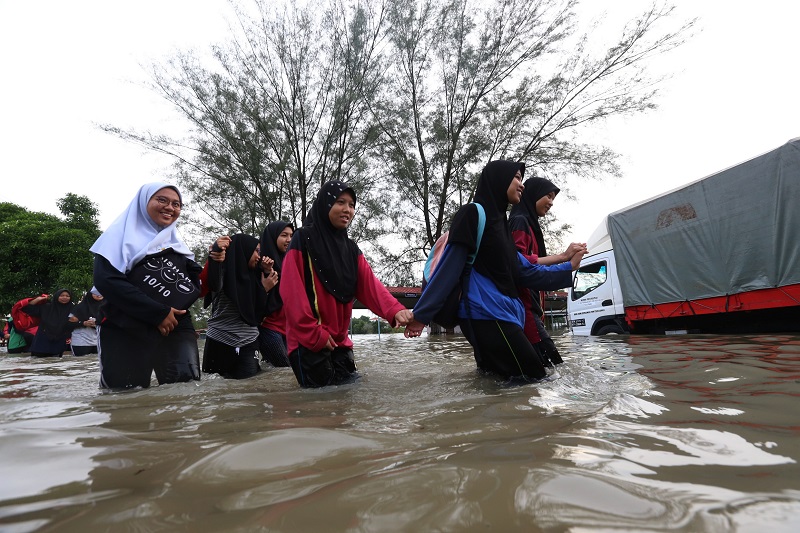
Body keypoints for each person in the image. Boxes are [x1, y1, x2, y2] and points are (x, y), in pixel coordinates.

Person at [405, 160, 585, 382]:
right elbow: (448, 269)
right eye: (517, 177)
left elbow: (525, 272)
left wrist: (569, 267)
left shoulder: (502, 225)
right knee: (534, 379)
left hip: (502, 314)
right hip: (486, 313)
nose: (522, 185)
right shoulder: (472, 213)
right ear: (499, 179)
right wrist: (421, 315)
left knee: (495, 383)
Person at [280, 181, 413, 388]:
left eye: (352, 205)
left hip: (341, 343)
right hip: (309, 342)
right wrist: (314, 334)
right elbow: (291, 293)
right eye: (340, 202)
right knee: (318, 410)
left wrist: (395, 310)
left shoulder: (351, 249)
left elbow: (370, 285)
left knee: (347, 404)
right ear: (325, 205)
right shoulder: (302, 239)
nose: (347, 210)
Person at [90, 182, 203, 389]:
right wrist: (157, 313)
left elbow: (196, 286)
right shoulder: (117, 237)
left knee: (185, 390)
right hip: (124, 325)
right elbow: (107, 281)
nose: (170, 207)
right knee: (125, 397)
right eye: (162, 200)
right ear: (144, 202)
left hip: (175, 325)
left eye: (177, 204)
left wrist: (216, 260)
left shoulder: (177, 245)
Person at [509, 177, 587, 366]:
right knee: (553, 365)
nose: (551, 203)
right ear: (534, 194)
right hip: (524, 308)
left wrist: (568, 260)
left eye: (553, 199)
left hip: (532, 308)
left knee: (544, 368)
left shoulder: (531, 225)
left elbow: (536, 265)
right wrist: (564, 259)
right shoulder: (520, 222)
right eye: (549, 196)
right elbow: (518, 264)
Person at [202, 233, 276, 379]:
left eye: (260, 252)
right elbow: (214, 283)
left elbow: (261, 313)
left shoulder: (257, 276)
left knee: (250, 389)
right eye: (255, 251)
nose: (258, 256)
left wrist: (267, 274)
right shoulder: (223, 272)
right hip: (220, 339)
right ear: (244, 250)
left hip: (249, 341)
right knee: (217, 391)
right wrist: (216, 252)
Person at [257, 221, 294, 367]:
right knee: (284, 368)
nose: (289, 240)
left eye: (291, 235)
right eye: (284, 235)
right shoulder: (259, 262)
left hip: (289, 329)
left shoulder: (290, 261)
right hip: (269, 327)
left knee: (283, 372)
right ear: (272, 237)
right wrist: (266, 272)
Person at [22, 290, 76, 357]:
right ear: (56, 296)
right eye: (62, 295)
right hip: (41, 342)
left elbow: (75, 324)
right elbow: (26, 308)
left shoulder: (73, 310)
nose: (65, 297)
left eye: (67, 296)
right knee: (38, 364)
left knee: (57, 365)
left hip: (59, 342)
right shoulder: (46, 307)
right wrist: (38, 299)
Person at [68, 288, 104, 356]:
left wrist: (98, 323)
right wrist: (83, 323)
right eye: (95, 293)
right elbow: (68, 324)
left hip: (100, 341)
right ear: (90, 294)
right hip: (81, 341)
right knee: (80, 363)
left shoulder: (106, 308)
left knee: (96, 364)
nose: (99, 295)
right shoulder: (79, 308)